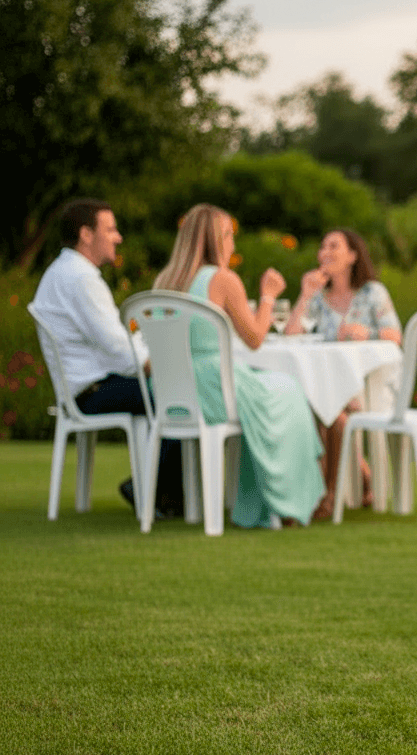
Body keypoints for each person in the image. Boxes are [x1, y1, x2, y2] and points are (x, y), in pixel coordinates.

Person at [154, 204, 326, 527]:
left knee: (274, 388)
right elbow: (255, 338)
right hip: (215, 388)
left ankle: (276, 497)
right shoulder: (223, 280)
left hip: (171, 391)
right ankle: (284, 498)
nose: (233, 243)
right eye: (229, 235)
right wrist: (268, 295)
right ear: (216, 241)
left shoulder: (165, 280)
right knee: (289, 389)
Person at [30, 198, 183, 515]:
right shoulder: (80, 278)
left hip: (86, 387)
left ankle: (163, 490)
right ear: (86, 234)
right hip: (92, 391)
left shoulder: (63, 271)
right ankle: (155, 490)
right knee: (178, 394)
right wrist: (158, 364)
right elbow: (118, 348)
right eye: (110, 229)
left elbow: (113, 342)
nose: (118, 237)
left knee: (172, 390)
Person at [285, 229, 402, 505]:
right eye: (323, 246)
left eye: (333, 246)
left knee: (328, 408)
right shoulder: (318, 297)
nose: (325, 252)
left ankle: (329, 494)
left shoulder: (372, 293)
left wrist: (367, 333)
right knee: (322, 405)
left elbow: (396, 336)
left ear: (352, 255)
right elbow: (291, 334)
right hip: (328, 385)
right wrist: (305, 295)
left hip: (368, 387)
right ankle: (359, 478)